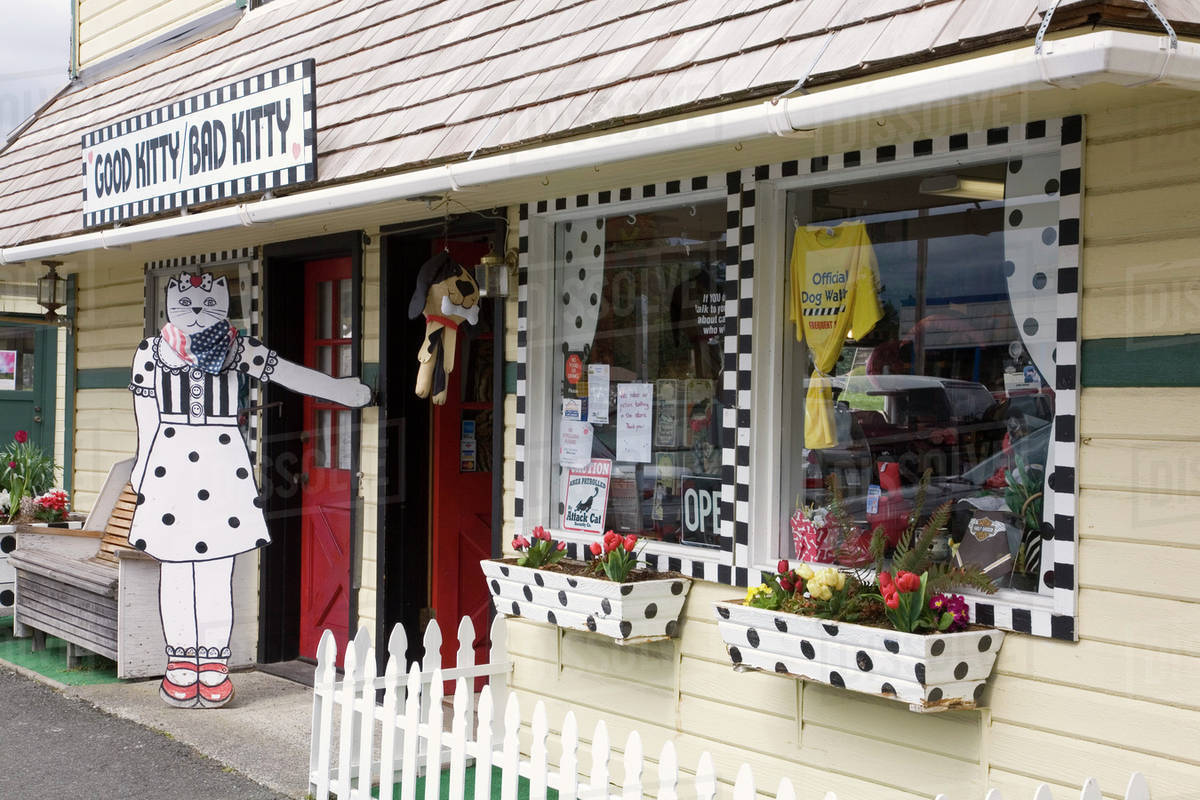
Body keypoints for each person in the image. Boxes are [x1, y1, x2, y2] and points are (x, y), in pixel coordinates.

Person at [128, 271, 371, 708]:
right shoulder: (152, 352)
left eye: (208, 304)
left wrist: (340, 392)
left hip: (222, 462)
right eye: (187, 304)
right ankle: (182, 663)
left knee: (219, 569)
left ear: (223, 302)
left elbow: (289, 374)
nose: (198, 313)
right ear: (170, 303)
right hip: (170, 462)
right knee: (177, 569)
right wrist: (142, 471)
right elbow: (146, 415)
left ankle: (213, 664)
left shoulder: (238, 347)